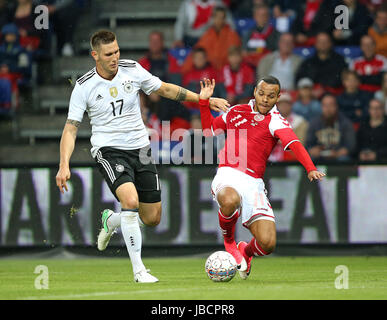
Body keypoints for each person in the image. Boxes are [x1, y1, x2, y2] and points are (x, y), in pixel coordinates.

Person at [55, 30, 229, 283]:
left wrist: (206, 101)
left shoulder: (132, 69)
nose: (114, 57)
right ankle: (139, 271)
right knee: (130, 199)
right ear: (95, 55)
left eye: (116, 51)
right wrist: (63, 164)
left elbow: (167, 89)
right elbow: (70, 128)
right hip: (109, 149)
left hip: (141, 149)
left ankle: (111, 220)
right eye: (108, 54)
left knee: (152, 218)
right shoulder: (84, 86)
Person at [198, 76, 325, 279]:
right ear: (255, 92)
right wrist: (204, 102)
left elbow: (295, 144)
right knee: (229, 200)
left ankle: (245, 252)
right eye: (262, 94)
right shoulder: (236, 111)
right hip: (228, 173)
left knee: (268, 244)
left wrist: (310, 168)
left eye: (271, 96)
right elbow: (208, 131)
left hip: (254, 183)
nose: (265, 99)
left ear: (278, 97)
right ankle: (229, 242)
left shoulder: (276, 121)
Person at [180, 6, 241, 72]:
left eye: (222, 18)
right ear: (213, 18)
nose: (219, 20)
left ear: (225, 19)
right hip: (210, 72)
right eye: (216, 17)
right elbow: (196, 53)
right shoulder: (207, 35)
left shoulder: (232, 35)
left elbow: (235, 57)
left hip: (228, 72)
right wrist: (185, 71)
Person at [306, 93, 356, 161]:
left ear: (336, 106)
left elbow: (351, 145)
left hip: (338, 157)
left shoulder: (345, 123)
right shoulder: (314, 123)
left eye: (331, 105)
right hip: (319, 156)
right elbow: (308, 144)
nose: (328, 109)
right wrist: (312, 149)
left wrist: (339, 153)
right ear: (321, 107)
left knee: (344, 159)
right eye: (325, 105)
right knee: (309, 159)